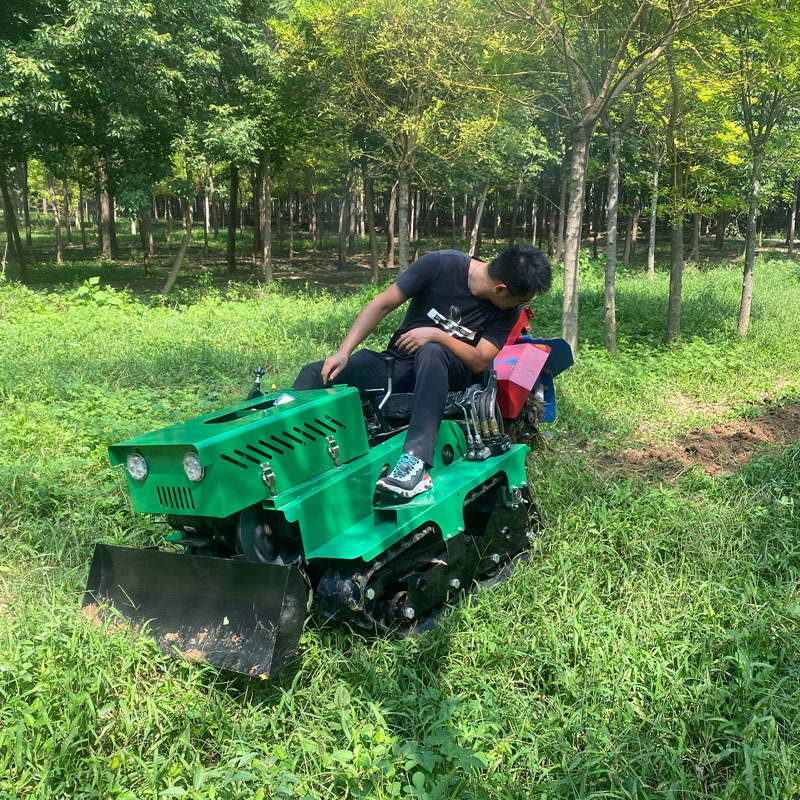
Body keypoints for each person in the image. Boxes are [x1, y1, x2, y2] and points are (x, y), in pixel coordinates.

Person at [293, 245, 552, 498]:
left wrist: (437, 335)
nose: (518, 307)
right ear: (501, 289)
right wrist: (343, 352)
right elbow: (382, 304)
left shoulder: (506, 312)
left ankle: (415, 463)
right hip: (402, 364)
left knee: (432, 352)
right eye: (520, 301)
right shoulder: (440, 265)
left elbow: (480, 359)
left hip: (455, 375)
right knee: (316, 374)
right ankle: (291, 457)